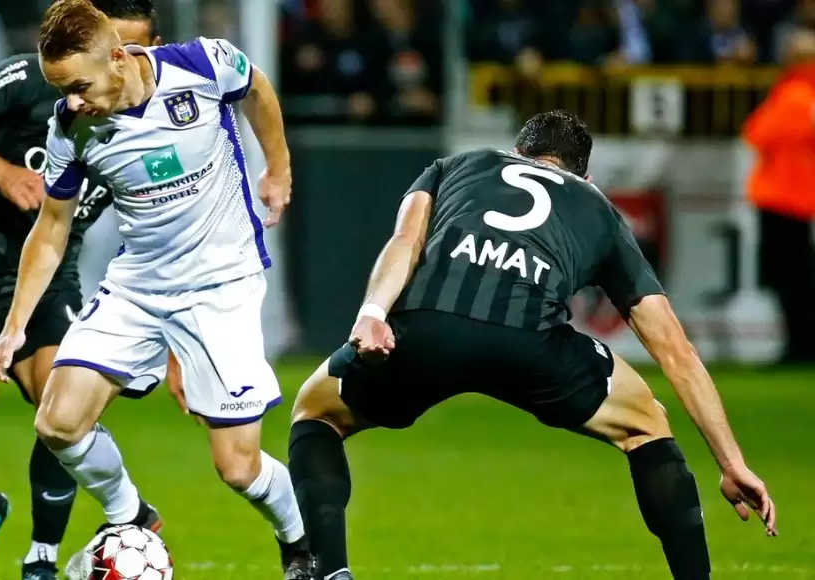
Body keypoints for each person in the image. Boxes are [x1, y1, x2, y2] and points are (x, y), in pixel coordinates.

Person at [286, 110, 778, 580]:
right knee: (646, 424)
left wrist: (372, 314)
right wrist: (731, 463)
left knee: (315, 413)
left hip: (428, 328)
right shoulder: (598, 209)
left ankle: (331, 571)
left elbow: (405, 242)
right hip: (530, 343)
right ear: (584, 177)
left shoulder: (455, 166)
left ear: (518, 152)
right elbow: (674, 350)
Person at [0, 1, 313, 579]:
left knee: (238, 468)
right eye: (63, 90)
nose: (73, 101)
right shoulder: (70, 127)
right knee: (58, 422)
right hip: (139, 285)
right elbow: (52, 228)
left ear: (117, 58)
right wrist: (13, 330)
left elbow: (257, 87)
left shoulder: (200, 65)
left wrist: (278, 167)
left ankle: (301, 544)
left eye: (79, 86)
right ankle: (130, 514)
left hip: (220, 285)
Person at [0, 2, 172, 579]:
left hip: (48, 286)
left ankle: (42, 557)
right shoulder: (36, 78)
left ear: (150, 49)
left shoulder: (156, 126)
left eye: (128, 52)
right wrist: (3, 173)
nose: (114, 66)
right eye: (107, 48)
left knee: (64, 409)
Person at [742, 27, 815, 365]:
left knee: (790, 280)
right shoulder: (803, 95)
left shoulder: (795, 94)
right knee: (798, 278)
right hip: (796, 199)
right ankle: (801, 343)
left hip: (783, 198)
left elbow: (757, 133)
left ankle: (800, 345)